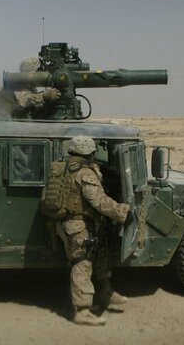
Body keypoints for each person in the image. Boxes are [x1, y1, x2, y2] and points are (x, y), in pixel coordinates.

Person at [57, 135, 131, 326]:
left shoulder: (66, 168)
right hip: (79, 225)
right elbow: (98, 201)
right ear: (87, 153)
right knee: (82, 263)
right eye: (92, 153)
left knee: (101, 254)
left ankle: (105, 294)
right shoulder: (84, 173)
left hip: (81, 223)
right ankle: (82, 311)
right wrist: (122, 212)